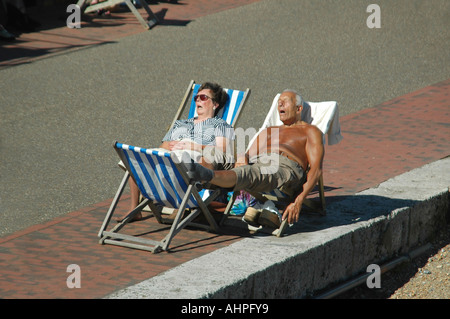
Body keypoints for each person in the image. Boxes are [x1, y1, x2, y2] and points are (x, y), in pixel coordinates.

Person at [184, 89, 325, 227]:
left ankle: (202, 177)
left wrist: (298, 200)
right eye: (279, 102)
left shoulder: (310, 131)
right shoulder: (270, 131)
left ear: (299, 108)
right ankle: (199, 180)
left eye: (285, 102)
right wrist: (242, 157)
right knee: (213, 153)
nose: (280, 105)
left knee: (249, 172)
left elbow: (316, 170)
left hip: (284, 167)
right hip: (259, 163)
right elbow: (248, 155)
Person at [120, 82, 235, 222]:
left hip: (194, 158)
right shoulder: (180, 124)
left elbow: (221, 151)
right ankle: (134, 208)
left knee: (184, 159)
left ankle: (180, 205)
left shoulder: (220, 125)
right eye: (196, 97)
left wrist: (194, 146)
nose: (198, 99)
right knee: (137, 158)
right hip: (171, 157)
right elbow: (163, 147)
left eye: (203, 97)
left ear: (215, 104)